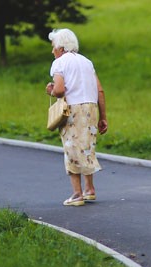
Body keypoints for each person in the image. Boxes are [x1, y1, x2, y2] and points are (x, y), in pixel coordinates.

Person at [45, 28, 109, 207]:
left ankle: (77, 194)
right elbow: (100, 90)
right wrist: (103, 117)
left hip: (73, 110)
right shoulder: (87, 62)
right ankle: (90, 190)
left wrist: (50, 90)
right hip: (90, 108)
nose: (52, 51)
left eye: (53, 47)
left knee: (71, 149)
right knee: (86, 147)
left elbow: (59, 90)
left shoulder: (59, 63)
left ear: (60, 47)